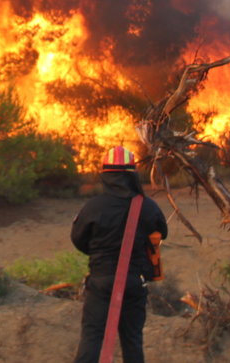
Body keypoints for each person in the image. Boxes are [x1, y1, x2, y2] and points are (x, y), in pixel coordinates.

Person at [70, 145, 168, 363]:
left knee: (92, 336)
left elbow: (78, 239)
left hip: (101, 282)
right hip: (134, 282)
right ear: (132, 176)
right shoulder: (148, 207)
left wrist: (98, 254)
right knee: (132, 340)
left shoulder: (93, 207)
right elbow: (162, 233)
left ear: (105, 175)